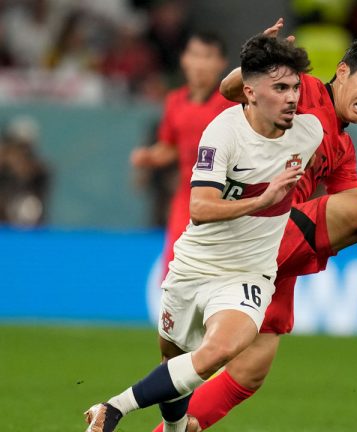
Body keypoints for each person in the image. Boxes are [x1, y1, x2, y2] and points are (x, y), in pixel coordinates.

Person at [152, 18, 357, 431]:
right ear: (343, 71)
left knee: (248, 374)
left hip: (275, 248)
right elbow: (229, 91)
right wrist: (260, 59)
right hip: (256, 226)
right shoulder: (306, 90)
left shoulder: (343, 148)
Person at [83, 34, 322, 432]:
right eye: (280, 88)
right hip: (194, 267)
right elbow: (201, 207)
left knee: (220, 350)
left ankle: (114, 408)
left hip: (248, 274)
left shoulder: (309, 131)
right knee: (175, 366)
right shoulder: (223, 131)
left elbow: (338, 105)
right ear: (250, 92)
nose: (292, 97)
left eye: (296, 87)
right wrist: (263, 200)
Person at [131, 32, 235, 274]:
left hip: (226, 198)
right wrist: (149, 157)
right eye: (195, 55)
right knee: (176, 269)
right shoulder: (174, 101)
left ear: (221, 63)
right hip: (186, 198)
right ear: (184, 60)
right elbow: (171, 148)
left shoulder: (234, 103)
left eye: (207, 57)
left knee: (218, 274)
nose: (200, 64)